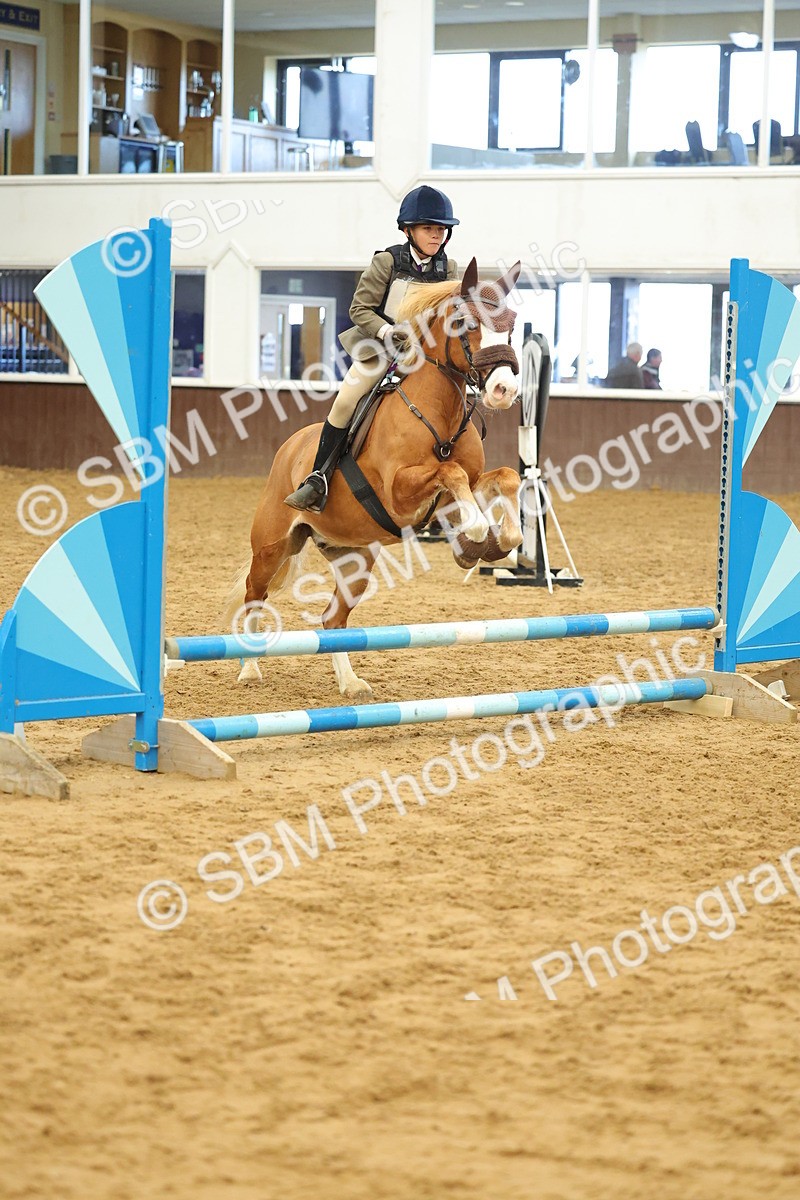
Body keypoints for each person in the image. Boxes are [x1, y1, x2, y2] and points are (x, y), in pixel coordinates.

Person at [284, 185, 460, 512]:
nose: (436, 235)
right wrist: (386, 330)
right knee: (346, 400)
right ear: (409, 231)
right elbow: (359, 308)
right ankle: (317, 480)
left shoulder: (448, 270)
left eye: (441, 229)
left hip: (424, 355)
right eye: (428, 228)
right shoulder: (387, 262)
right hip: (380, 347)